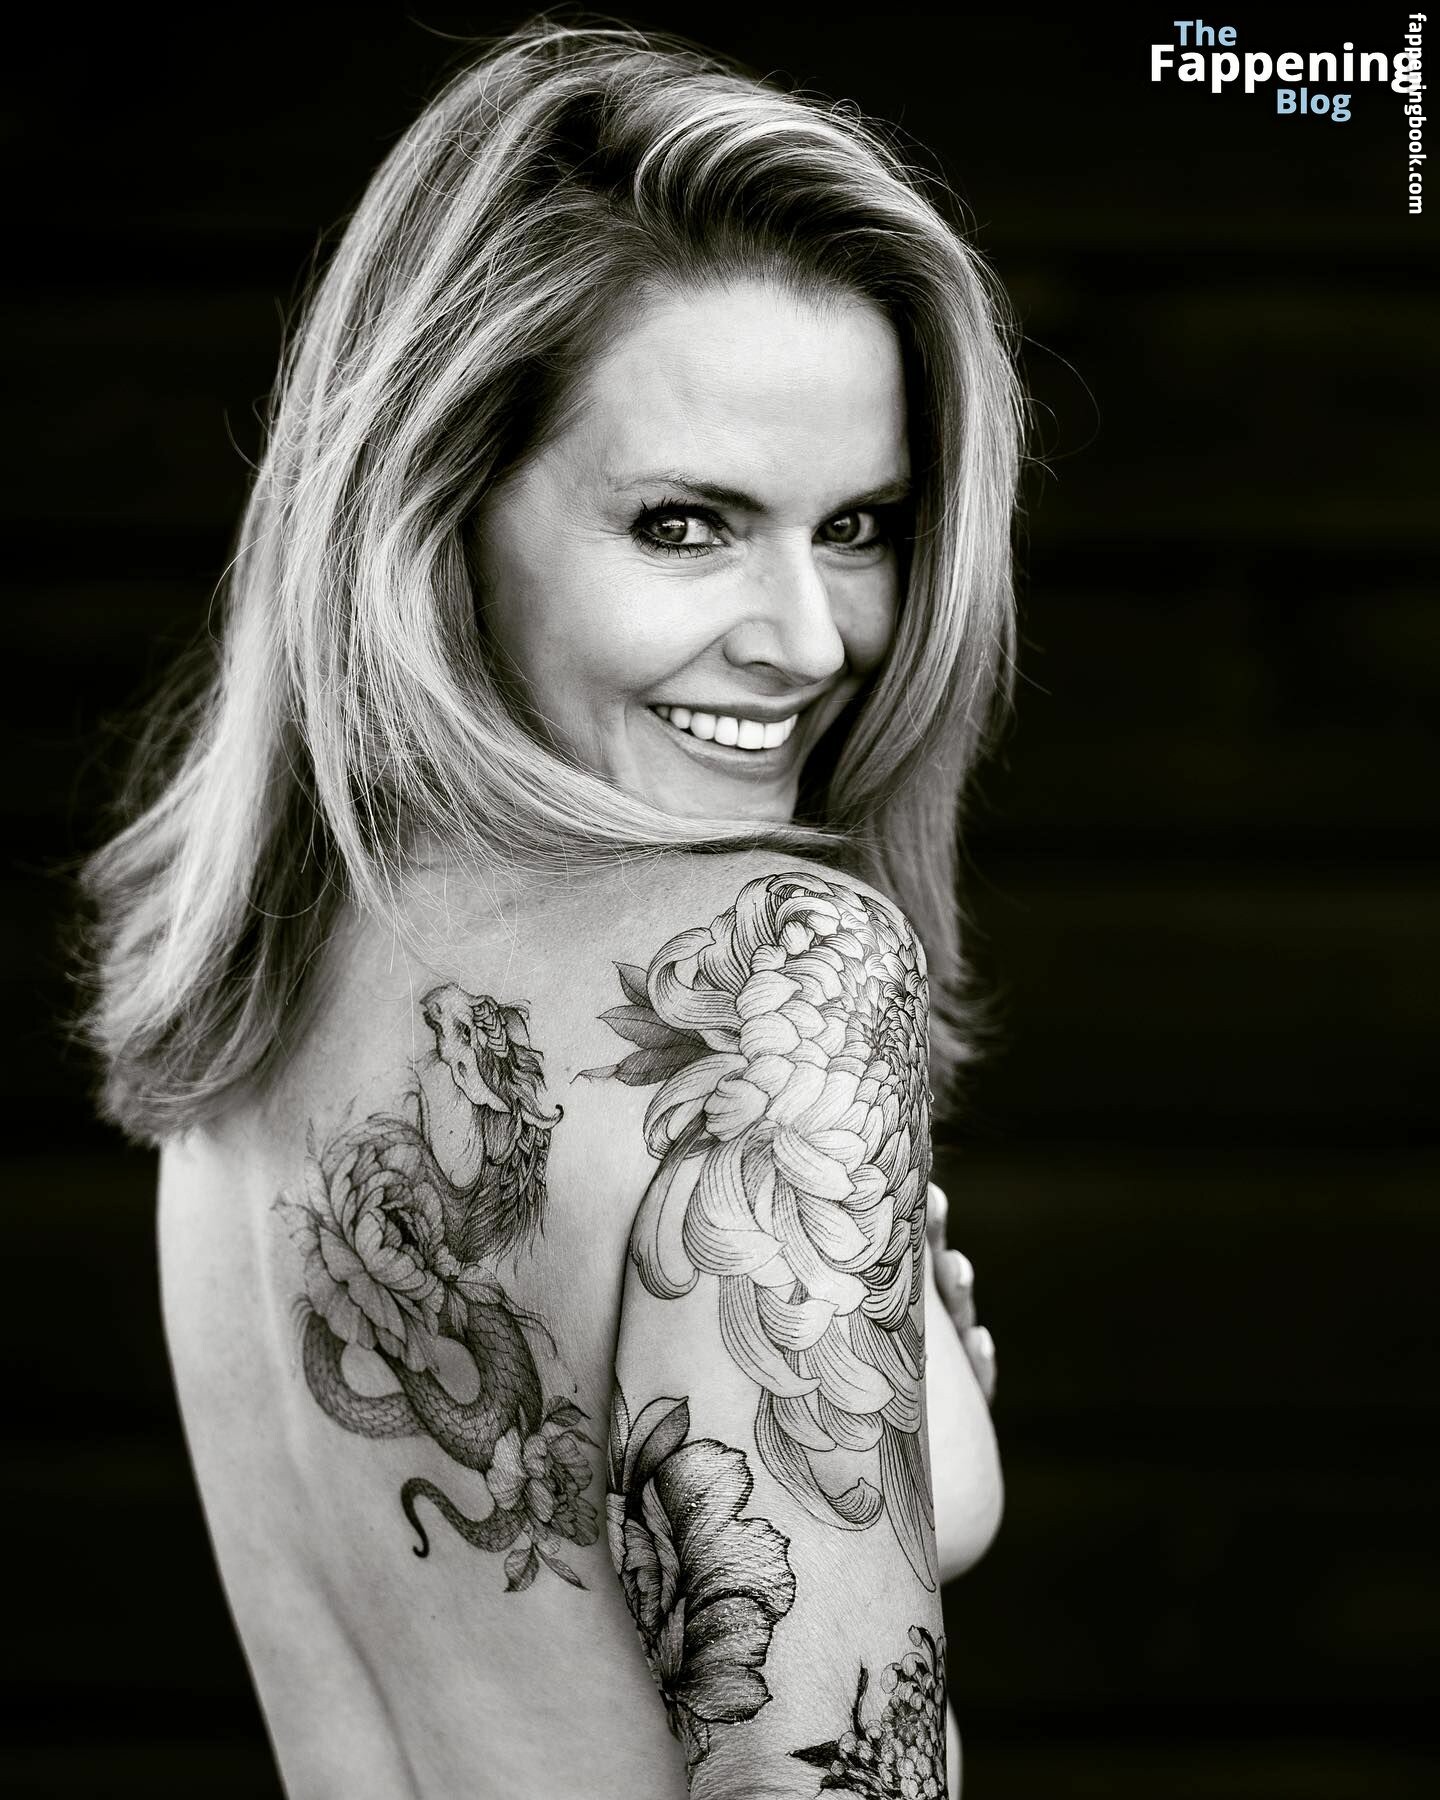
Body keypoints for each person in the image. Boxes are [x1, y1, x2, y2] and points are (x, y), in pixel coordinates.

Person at [81, 22, 1019, 1799]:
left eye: (860, 527)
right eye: (684, 525)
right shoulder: (766, 964)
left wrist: (909, 1461)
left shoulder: (258, 993)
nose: (809, 642)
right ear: (441, 508)